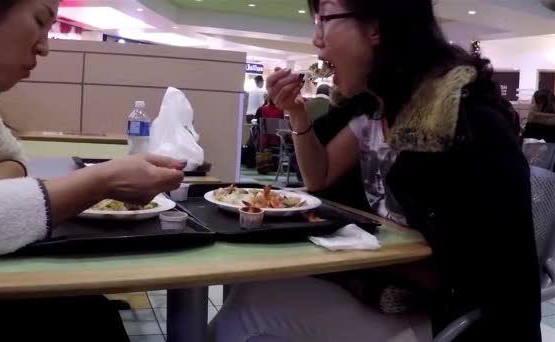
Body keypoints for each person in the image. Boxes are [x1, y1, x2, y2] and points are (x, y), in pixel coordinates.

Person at [209, 0, 540, 341]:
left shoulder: (467, 123)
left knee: (252, 313)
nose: (316, 40)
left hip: (451, 321)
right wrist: (296, 113)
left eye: (324, 19)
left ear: (376, 27)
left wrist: (357, 255)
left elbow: (493, 275)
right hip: (388, 293)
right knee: (252, 290)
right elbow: (319, 176)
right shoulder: (375, 107)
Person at [0, 0, 184, 340]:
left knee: (91, 313)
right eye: (40, 21)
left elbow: (15, 158)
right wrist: (104, 179)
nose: (44, 46)